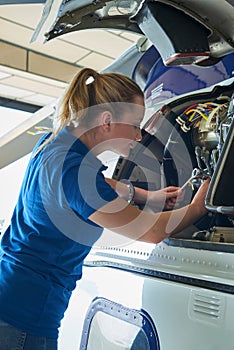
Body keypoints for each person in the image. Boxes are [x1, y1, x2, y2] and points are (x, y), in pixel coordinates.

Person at [0, 68, 209, 350]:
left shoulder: (51, 146)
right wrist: (199, 206)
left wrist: (144, 194)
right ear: (107, 121)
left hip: (10, 295)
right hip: (25, 317)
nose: (138, 136)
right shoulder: (77, 173)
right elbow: (151, 231)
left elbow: (98, 185)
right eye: (135, 124)